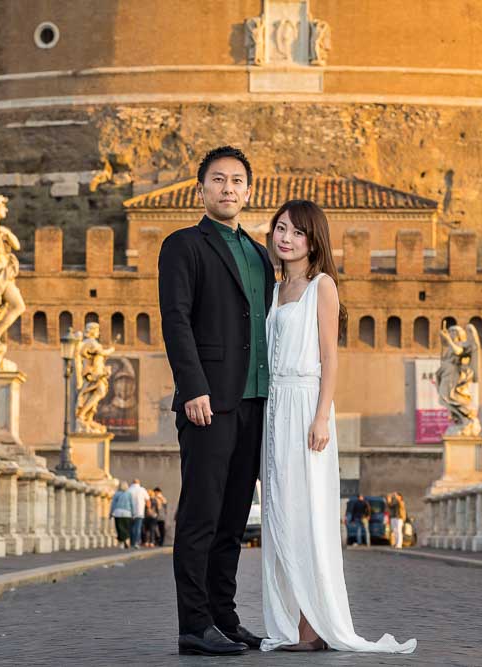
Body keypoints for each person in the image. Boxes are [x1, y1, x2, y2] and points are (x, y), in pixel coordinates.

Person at [260, 199, 416, 654]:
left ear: (314, 241)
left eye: (297, 232)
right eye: (281, 229)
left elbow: (330, 355)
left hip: (307, 403)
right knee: (281, 514)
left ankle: (313, 629)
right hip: (277, 407)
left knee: (308, 514)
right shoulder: (275, 290)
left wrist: (322, 415)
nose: (286, 238)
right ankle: (294, 622)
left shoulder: (321, 286)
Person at [159, 146, 275, 656]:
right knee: (201, 516)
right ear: (200, 189)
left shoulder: (259, 253)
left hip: (254, 403)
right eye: (218, 180)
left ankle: (224, 617)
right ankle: (194, 623)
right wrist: (193, 387)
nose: (228, 189)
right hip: (209, 402)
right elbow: (176, 319)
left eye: (237, 181)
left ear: (249, 191)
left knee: (232, 520)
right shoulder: (183, 245)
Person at [110, 481, 134, 549]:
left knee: (119, 528)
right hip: (127, 513)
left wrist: (111, 513)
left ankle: (121, 542)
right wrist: (133, 513)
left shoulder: (117, 494)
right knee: (126, 528)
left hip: (118, 512)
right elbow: (132, 504)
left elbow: (113, 504)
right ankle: (126, 539)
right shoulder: (129, 494)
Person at [127, 478, 150, 550]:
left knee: (131, 528)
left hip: (130, 511)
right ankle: (136, 542)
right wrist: (148, 509)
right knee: (137, 528)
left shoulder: (129, 490)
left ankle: (131, 542)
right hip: (140, 511)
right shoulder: (142, 490)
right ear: (139, 483)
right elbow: (147, 500)